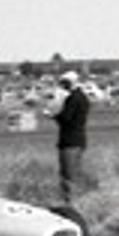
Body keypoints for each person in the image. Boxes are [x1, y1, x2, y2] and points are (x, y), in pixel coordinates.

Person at [49, 70, 90, 202]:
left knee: (67, 175)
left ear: (70, 83)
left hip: (69, 141)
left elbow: (66, 118)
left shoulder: (73, 98)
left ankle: (69, 203)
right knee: (75, 174)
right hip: (79, 140)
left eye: (64, 83)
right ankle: (79, 201)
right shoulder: (83, 97)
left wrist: (53, 116)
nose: (62, 86)